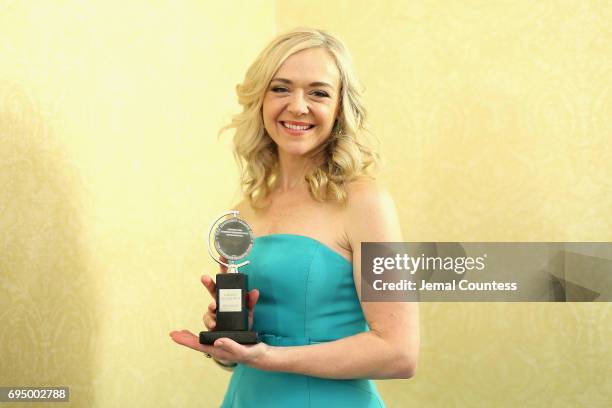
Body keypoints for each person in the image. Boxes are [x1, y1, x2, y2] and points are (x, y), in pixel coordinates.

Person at [170, 27, 420, 407]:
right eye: (281, 88)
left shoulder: (366, 202)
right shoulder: (242, 213)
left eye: (318, 92)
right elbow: (242, 357)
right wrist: (229, 343)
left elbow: (399, 352)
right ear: (260, 99)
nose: (298, 106)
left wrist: (270, 358)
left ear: (340, 107)